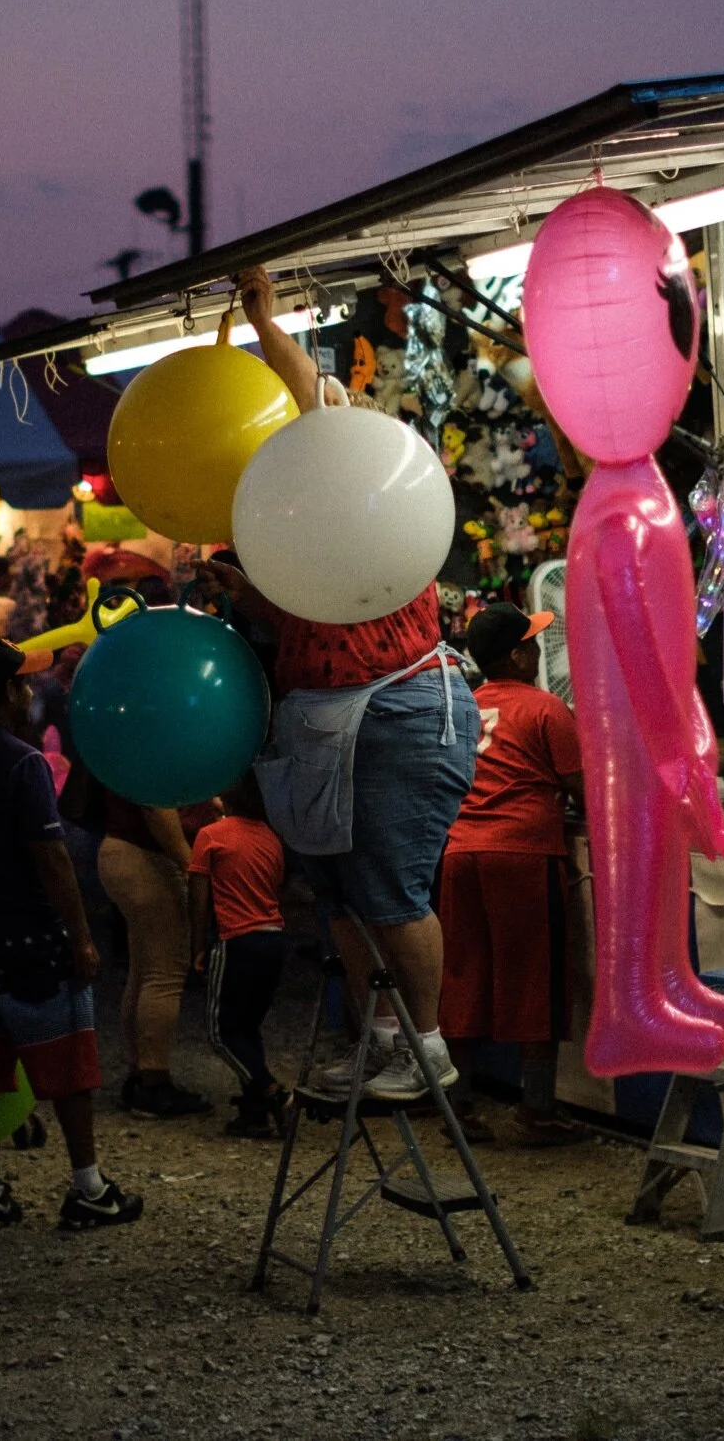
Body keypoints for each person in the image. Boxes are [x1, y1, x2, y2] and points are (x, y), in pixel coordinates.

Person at [206, 267, 478, 1105]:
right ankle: (380, 1039)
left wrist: (264, 320)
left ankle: (428, 1048)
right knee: (343, 897)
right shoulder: (289, 516)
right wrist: (250, 597)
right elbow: (308, 616)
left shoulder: (361, 477)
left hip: (397, 702)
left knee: (391, 891)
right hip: (325, 716)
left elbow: (310, 393)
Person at [0, 639, 139, 1234]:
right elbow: (52, 859)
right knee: (68, 1068)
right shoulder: (23, 762)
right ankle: (87, 1185)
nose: (31, 692)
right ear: (7, 691)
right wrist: (81, 938)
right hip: (33, 941)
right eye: (23, 683)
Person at [440, 604, 584, 1147]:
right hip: (523, 853)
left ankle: (458, 1107)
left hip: (461, 851)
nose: (539, 649)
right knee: (536, 981)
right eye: (533, 642)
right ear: (518, 655)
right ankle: (537, 1110)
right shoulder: (547, 709)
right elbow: (582, 790)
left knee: (463, 977)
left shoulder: (467, 707)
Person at [100, 793, 210, 1118]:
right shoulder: (155, 749)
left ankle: (139, 1073)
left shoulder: (126, 745)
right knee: (165, 972)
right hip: (146, 855)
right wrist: (188, 863)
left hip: (119, 850)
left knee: (144, 970)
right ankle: (154, 1082)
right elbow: (156, 804)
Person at [191, 779, 289, 1138]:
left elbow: (198, 896)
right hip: (274, 940)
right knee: (249, 1027)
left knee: (222, 1033)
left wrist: (198, 945)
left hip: (236, 940)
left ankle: (271, 1092)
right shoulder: (271, 837)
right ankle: (254, 1112)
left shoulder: (211, 835)